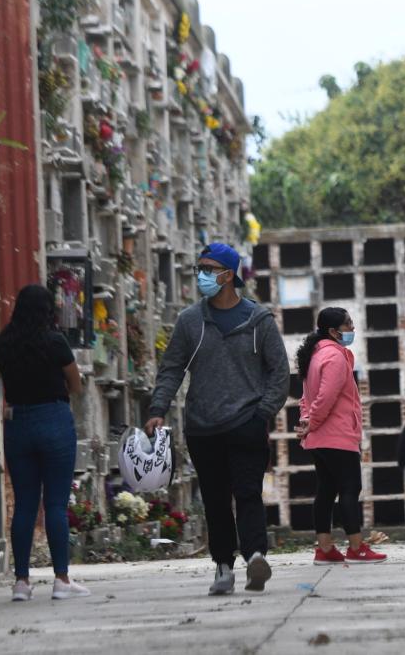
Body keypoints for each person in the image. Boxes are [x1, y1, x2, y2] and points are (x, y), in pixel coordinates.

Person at [146, 243, 289, 594]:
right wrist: (157, 409)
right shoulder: (190, 321)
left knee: (248, 493)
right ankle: (223, 567)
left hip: (246, 423)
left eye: (209, 269)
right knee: (215, 498)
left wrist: (263, 413)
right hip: (203, 427)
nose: (201, 276)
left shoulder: (260, 321)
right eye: (199, 269)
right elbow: (171, 368)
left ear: (228, 274)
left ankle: (255, 556)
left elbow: (280, 373)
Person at [0, 285, 90, 601]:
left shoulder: (4, 344)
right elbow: (75, 385)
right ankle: (61, 580)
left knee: (24, 504)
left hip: (18, 424)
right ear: (48, 310)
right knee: (56, 505)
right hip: (54, 421)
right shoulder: (55, 342)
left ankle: (21, 582)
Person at [296, 307, 386, 564]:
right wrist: (311, 422)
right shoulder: (334, 357)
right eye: (348, 325)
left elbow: (306, 398)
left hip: (319, 438)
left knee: (326, 490)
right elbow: (325, 398)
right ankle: (356, 547)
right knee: (349, 488)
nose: (352, 329)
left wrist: (307, 423)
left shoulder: (314, 356)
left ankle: (324, 549)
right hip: (336, 436)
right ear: (334, 331)